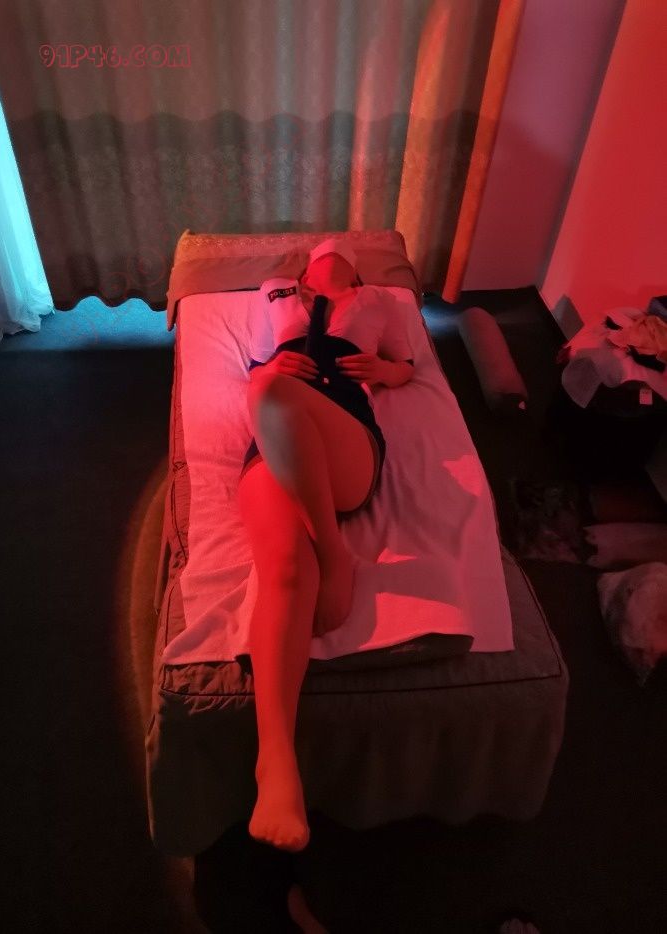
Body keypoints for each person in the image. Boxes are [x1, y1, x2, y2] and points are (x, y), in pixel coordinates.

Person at [236, 238, 415, 859]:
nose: (330, 255)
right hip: (274, 441)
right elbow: (254, 363)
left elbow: (407, 366)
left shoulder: (380, 301)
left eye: (342, 253)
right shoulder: (274, 294)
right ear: (305, 267)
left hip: (346, 439)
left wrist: (385, 373)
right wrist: (267, 370)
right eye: (320, 254)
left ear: (355, 268)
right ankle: (275, 762)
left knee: (269, 396)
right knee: (285, 570)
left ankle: (333, 551)